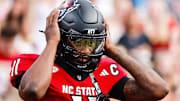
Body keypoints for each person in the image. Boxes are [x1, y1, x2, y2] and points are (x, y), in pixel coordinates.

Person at [10, 0, 169, 101]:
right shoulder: (33, 66)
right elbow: (32, 91)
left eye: (92, 43)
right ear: (61, 36)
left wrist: (113, 50)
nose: (86, 50)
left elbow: (158, 89)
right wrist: (52, 42)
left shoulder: (104, 71)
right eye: (79, 42)